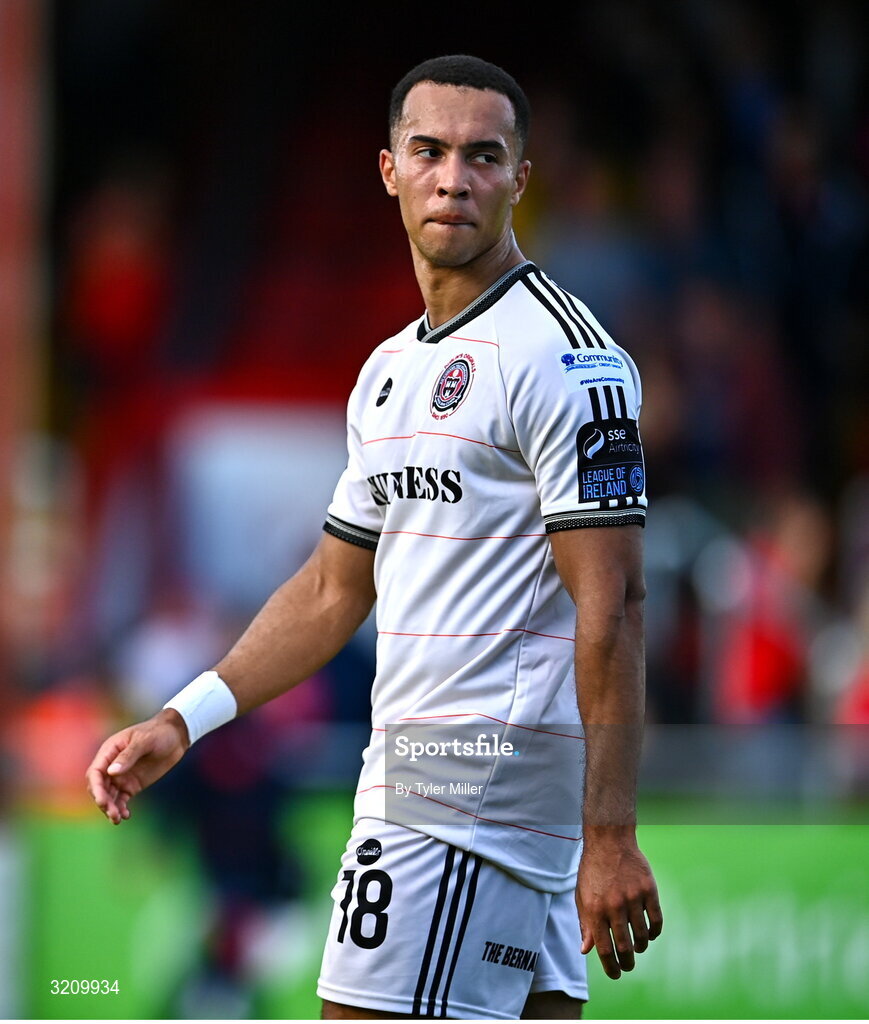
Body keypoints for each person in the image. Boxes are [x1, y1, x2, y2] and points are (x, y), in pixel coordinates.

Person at [87, 54, 662, 1020]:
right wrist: (183, 718)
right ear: (388, 168)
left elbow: (616, 601)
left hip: (467, 782)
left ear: (522, 179)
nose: (453, 178)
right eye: (428, 151)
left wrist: (611, 834)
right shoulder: (389, 371)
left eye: (483, 157)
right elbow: (330, 591)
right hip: (441, 779)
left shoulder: (566, 359)